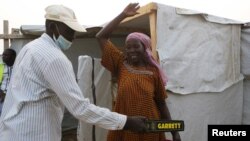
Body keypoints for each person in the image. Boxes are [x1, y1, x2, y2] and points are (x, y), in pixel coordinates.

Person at [0, 4, 147, 141]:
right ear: (53, 27)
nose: (73, 36)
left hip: (13, 130)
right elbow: (80, 108)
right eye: (70, 31)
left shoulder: (30, 48)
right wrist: (126, 122)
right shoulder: (54, 58)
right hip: (34, 134)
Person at [96, 3, 181, 141]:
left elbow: (161, 104)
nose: (131, 51)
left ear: (145, 48)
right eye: (128, 47)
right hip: (125, 127)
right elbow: (101, 37)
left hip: (149, 128)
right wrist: (122, 15)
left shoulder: (153, 72)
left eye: (136, 46)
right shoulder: (121, 64)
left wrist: (174, 132)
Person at [0, 48, 16, 116]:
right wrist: (2, 94)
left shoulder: (18, 66)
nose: (3, 56)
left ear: (13, 57)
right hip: (1, 95)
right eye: (3, 55)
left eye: (6, 55)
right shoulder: (1, 66)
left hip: (14, 96)